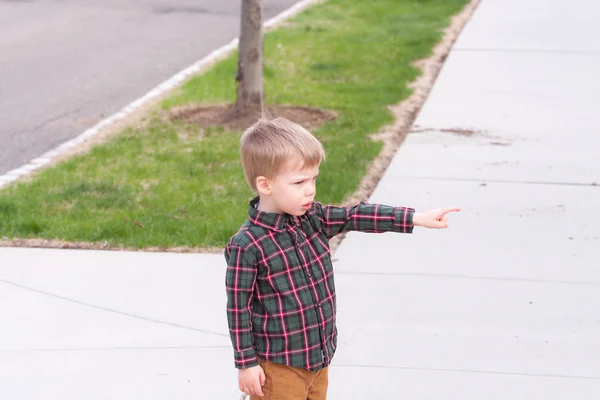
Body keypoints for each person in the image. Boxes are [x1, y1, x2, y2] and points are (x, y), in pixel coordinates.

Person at [225, 117, 460, 399]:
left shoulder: (313, 218)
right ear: (265, 185)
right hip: (279, 367)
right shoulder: (247, 245)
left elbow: (355, 215)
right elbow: (238, 310)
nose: (310, 189)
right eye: (299, 182)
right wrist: (246, 363)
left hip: (319, 358)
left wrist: (413, 218)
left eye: (313, 179)